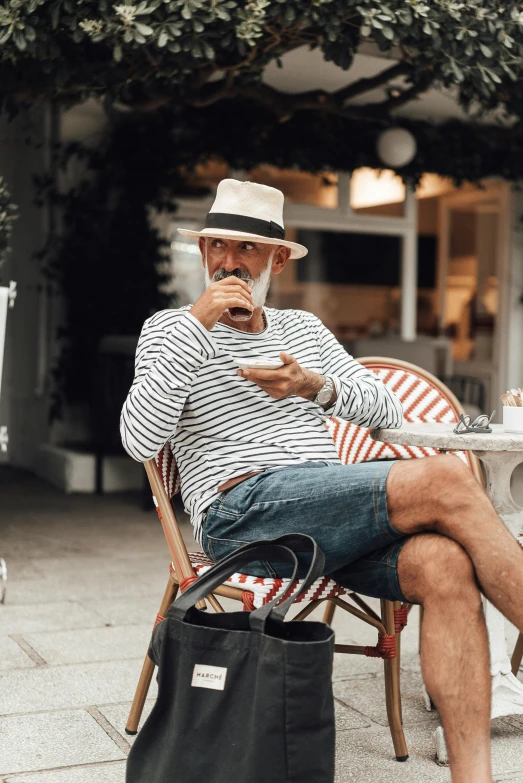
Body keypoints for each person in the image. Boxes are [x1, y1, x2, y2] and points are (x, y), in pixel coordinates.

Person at [121, 179, 523, 783]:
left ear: (278, 260)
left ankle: (476, 778)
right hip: (243, 512)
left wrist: (315, 386)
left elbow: (385, 408)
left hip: (326, 517)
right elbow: (139, 441)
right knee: (442, 478)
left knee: (444, 562)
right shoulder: (169, 331)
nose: (230, 261)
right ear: (202, 253)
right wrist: (196, 327)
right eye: (219, 246)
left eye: (248, 249)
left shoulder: (303, 331)